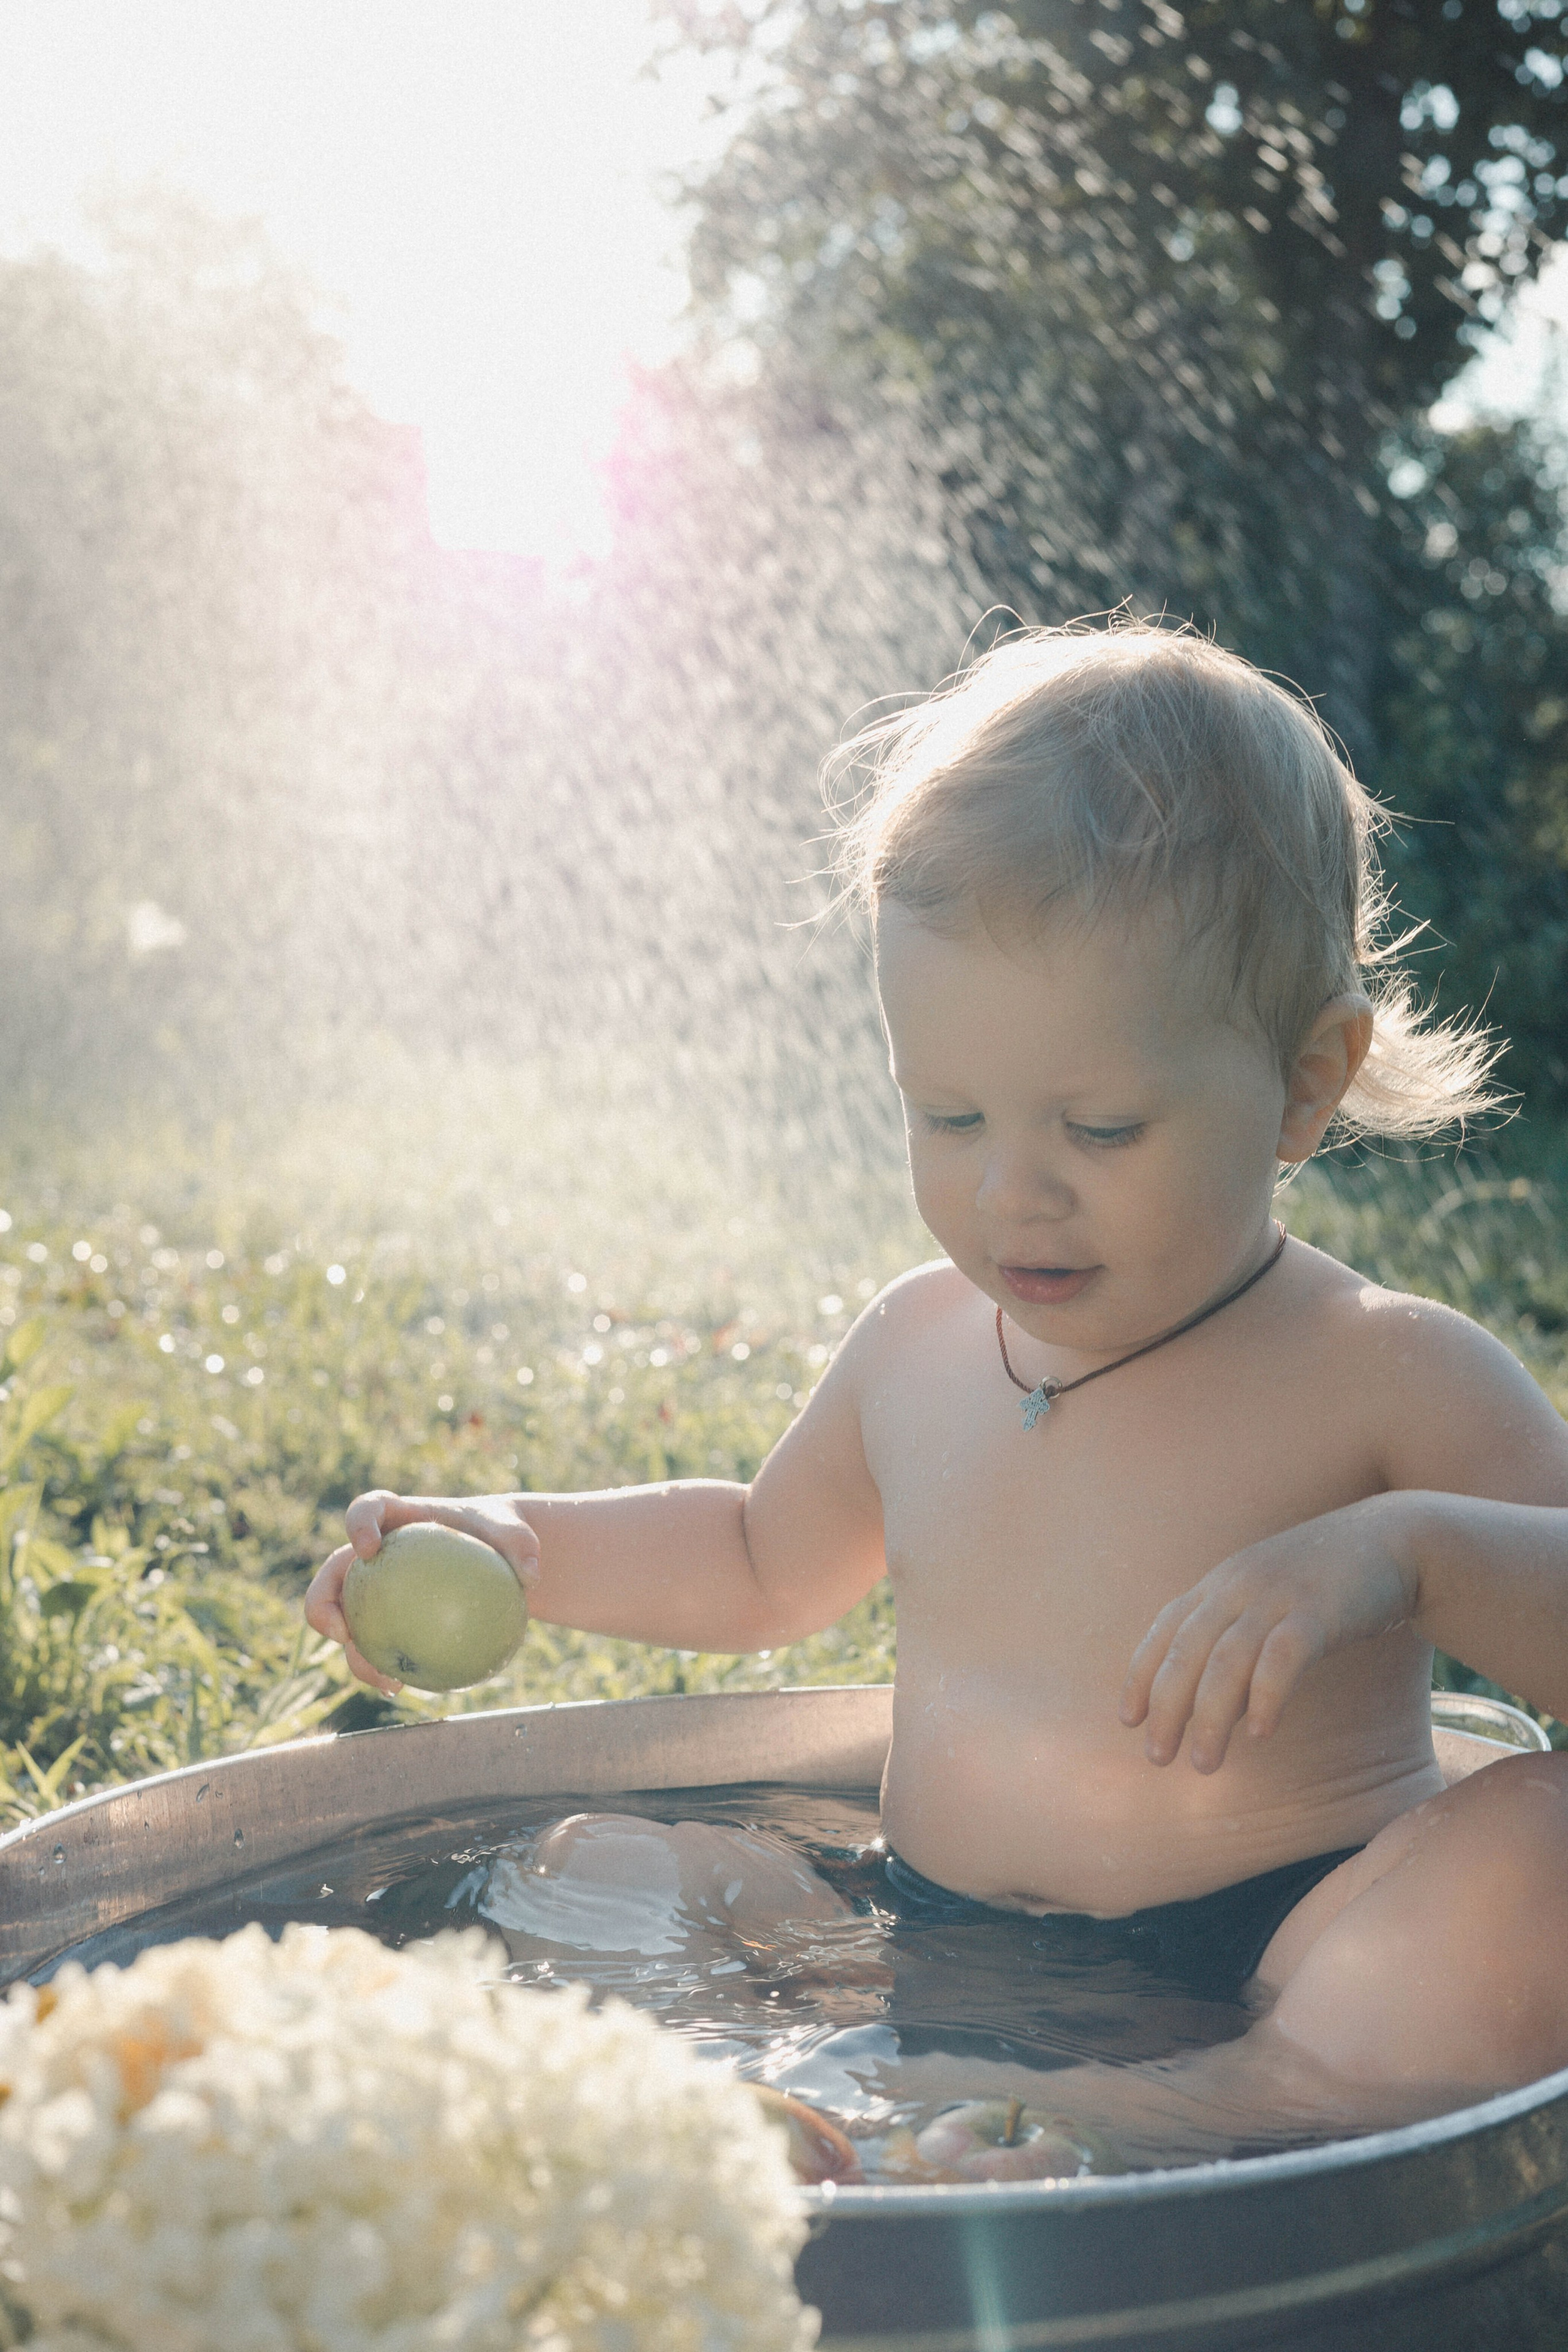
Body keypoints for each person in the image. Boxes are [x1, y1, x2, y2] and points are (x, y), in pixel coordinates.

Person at [306, 620, 1568, 2179]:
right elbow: (763, 1557)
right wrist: (519, 1542)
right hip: (921, 1942)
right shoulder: (915, 1343)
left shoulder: (1384, 1368)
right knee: (600, 1869)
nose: (1009, 1191)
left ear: (1305, 1083)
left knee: (1539, 1853)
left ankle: (1218, 2115)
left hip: (1286, 1960)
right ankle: (846, 2106)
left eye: (1099, 1128)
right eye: (946, 1114)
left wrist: (1410, 1552)